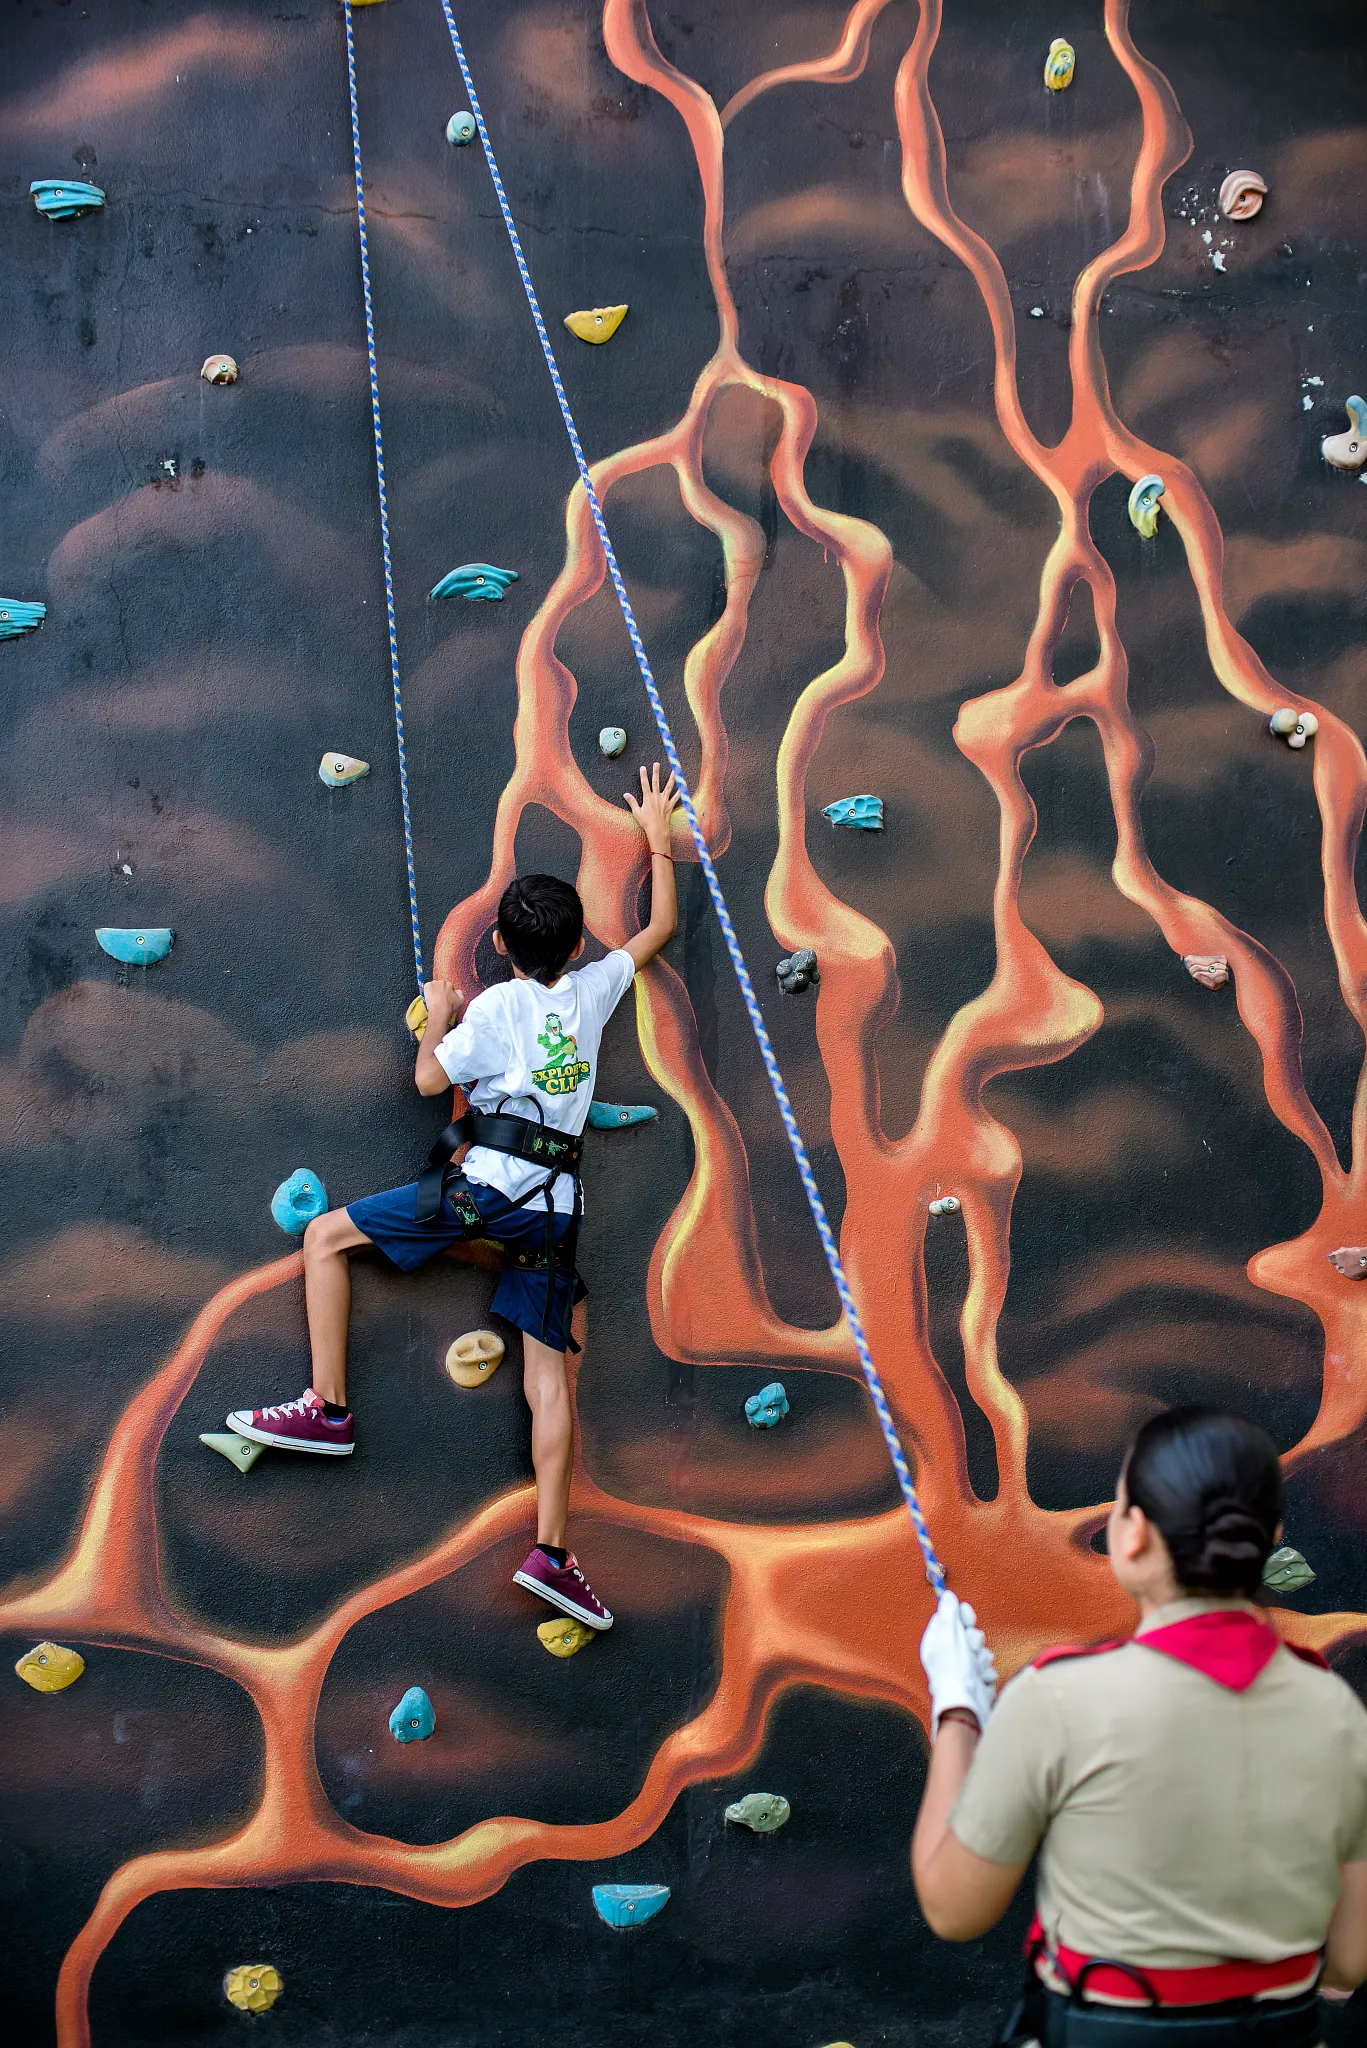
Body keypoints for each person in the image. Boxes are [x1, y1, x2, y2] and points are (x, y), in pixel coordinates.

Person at [224, 764, 681, 1634]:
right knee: (550, 1378)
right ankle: (552, 1553)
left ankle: (326, 1410)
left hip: (483, 1198)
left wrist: (437, 1010)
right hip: (555, 1212)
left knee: (324, 1237)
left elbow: (431, 1078)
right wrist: (657, 834)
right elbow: (657, 926)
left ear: (504, 949)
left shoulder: (496, 1010)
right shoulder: (594, 991)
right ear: (577, 946)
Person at [913, 1406, 1367, 2046]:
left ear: (1133, 1534)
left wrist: (958, 1706)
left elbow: (954, 1908)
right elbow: (1349, 1962)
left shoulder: (1060, 1696)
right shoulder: (1337, 1712)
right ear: (1272, 1537)